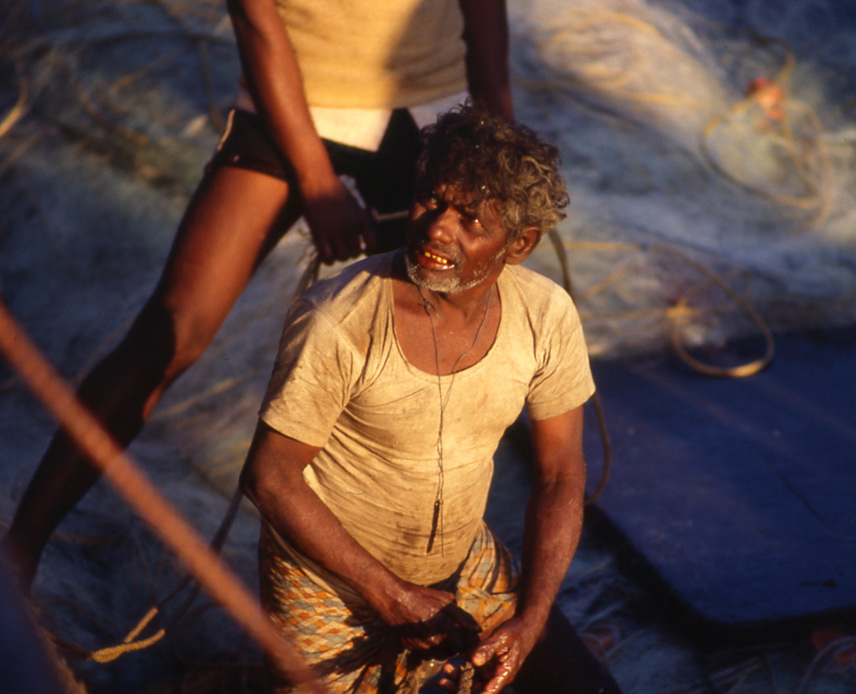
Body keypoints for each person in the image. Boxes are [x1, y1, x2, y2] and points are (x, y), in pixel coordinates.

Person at [3, 0, 513, 588]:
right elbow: (256, 22)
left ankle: (441, 581)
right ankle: (20, 554)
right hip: (287, 106)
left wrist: (500, 137)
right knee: (171, 333)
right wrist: (317, 181)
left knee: (441, 352)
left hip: (431, 115)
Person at [240, 103, 621, 694]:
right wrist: (390, 594)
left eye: (470, 219)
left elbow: (559, 474)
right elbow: (270, 475)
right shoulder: (338, 319)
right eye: (431, 201)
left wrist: (532, 616)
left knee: (581, 686)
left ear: (518, 244)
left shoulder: (545, 315)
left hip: (459, 564)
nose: (438, 227)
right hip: (328, 584)